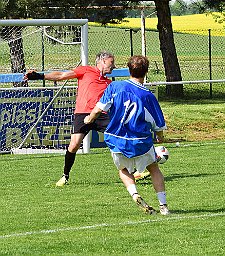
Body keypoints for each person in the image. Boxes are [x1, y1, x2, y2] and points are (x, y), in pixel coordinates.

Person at [83, 55, 169, 215]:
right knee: (154, 168)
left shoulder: (115, 87)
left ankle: (135, 194)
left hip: (117, 140)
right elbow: (158, 124)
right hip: (140, 141)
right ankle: (163, 206)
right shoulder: (148, 96)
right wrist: (159, 137)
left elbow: (98, 108)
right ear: (145, 72)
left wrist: (89, 118)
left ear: (129, 70)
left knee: (123, 170)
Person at [25, 51, 116, 187]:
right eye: (111, 62)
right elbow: (61, 75)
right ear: (102, 61)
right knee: (74, 145)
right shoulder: (85, 70)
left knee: (120, 137)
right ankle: (65, 176)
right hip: (82, 113)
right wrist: (39, 76)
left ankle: (135, 170)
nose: (113, 66)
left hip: (100, 114)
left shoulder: (109, 83)